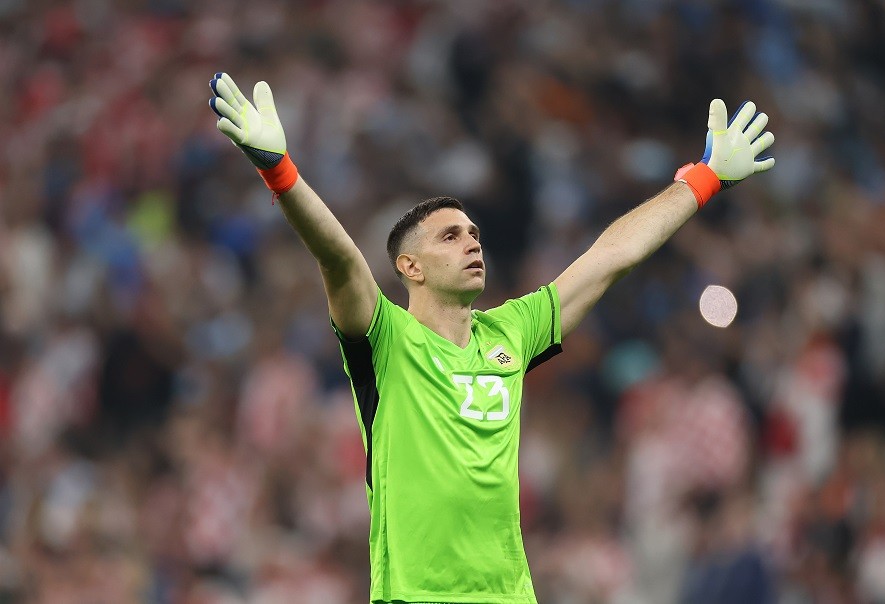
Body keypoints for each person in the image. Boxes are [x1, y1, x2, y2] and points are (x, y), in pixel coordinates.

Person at [208, 71, 775, 604]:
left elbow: (610, 258)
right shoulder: (385, 340)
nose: (472, 243)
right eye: (450, 237)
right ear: (410, 266)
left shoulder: (511, 331)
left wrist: (703, 179)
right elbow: (340, 259)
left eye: (474, 234)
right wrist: (279, 168)